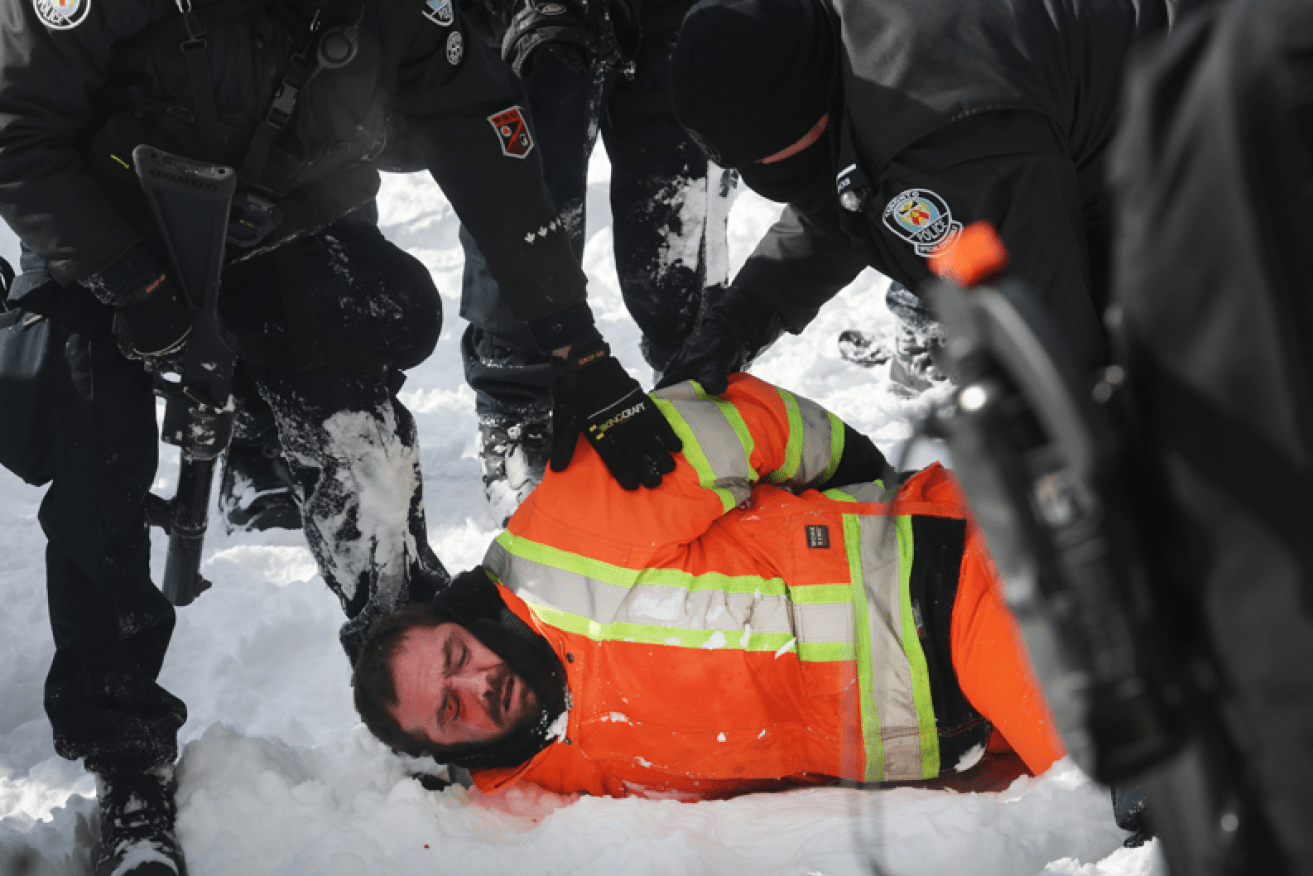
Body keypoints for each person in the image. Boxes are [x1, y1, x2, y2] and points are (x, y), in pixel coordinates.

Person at [0, 0, 679, 873]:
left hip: (282, 223)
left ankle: (418, 663)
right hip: (98, 226)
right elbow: (16, 132)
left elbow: (491, 149)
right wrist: (145, 295)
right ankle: (126, 758)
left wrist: (576, 352)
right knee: (99, 459)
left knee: (359, 446)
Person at [353, 374, 1068, 798]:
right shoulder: (534, 768)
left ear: (457, 618)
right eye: (451, 710)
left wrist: (855, 470)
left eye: (455, 657)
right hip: (973, 732)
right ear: (456, 752)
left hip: (956, 584)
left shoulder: (562, 537)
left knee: (1120, 784)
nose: (479, 684)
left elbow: (746, 424)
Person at [656, 0, 1175, 399]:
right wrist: (741, 318)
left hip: (1193, 121)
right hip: (1108, 110)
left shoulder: (940, 140)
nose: (753, 176)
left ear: (803, 115)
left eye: (761, 159)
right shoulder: (829, 39)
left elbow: (1044, 330)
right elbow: (849, 195)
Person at [457, 0, 737, 522]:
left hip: (670, 14)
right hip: (532, 13)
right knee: (532, 191)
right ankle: (517, 408)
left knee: (677, 203)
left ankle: (693, 382)